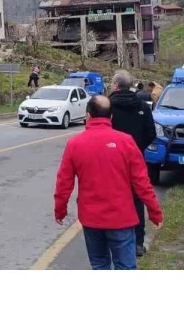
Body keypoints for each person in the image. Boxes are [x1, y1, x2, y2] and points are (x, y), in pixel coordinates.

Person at [54, 95, 163, 270]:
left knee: (99, 264)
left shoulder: (75, 144)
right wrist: (154, 212)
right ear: (111, 117)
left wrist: (60, 210)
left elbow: (64, 183)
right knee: (125, 267)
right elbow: (142, 182)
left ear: (88, 115)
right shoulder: (126, 141)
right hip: (122, 217)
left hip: (91, 218)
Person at [108, 70, 157, 257]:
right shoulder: (143, 106)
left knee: (112, 198)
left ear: (115, 85)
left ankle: (113, 240)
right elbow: (151, 133)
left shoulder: (107, 106)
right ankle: (137, 243)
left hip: (111, 161)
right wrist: (137, 149)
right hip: (136, 160)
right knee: (137, 199)